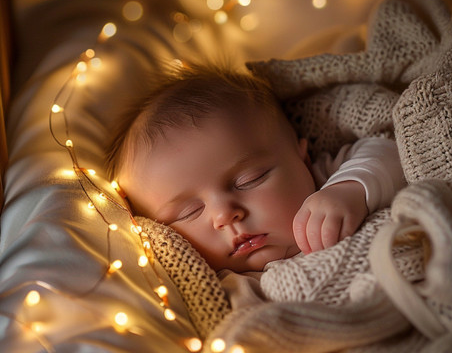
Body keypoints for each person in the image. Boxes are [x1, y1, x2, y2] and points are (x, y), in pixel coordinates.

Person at [106, 62, 406, 273]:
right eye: (188, 213)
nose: (225, 215)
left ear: (301, 159)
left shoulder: (327, 179)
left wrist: (350, 189)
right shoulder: (224, 286)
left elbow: (393, 152)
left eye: (251, 179)